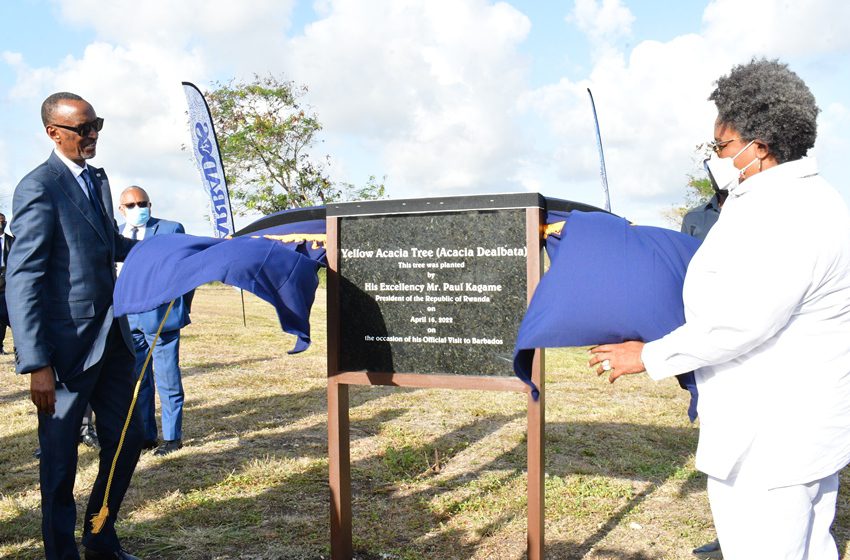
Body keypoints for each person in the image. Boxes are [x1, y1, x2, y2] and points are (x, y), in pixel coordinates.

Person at [589, 58, 850, 560]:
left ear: (762, 146)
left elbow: (739, 322)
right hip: (801, 428)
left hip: (771, 438)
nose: (716, 156)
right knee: (811, 545)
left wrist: (644, 356)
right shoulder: (811, 198)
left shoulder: (783, 212)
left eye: (722, 146)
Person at [7, 92, 143, 560]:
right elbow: (22, 278)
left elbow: (111, 247)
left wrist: (176, 249)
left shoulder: (97, 181)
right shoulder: (38, 186)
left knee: (129, 438)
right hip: (64, 354)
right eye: (83, 128)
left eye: (97, 124)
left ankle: (101, 538)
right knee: (60, 462)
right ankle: (61, 552)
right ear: (54, 132)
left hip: (114, 343)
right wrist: (36, 363)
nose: (93, 135)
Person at [118, 185, 191, 457]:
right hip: (128, 317)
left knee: (167, 377)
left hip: (161, 316)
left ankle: (172, 437)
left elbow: (187, 273)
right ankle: (146, 435)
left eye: (143, 203)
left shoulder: (171, 230)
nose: (139, 209)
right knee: (138, 379)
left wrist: (180, 309)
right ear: (121, 209)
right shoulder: (115, 233)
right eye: (133, 205)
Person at [0, 213, 13, 355]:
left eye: (2, 221)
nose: (0, 224)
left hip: (8, 282)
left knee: (7, 316)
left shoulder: (12, 241)